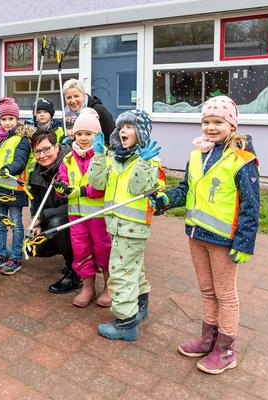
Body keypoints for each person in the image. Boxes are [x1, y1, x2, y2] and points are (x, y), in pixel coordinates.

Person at [154, 96, 259, 374]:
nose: (211, 127)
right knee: (207, 291)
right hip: (197, 235)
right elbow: (187, 189)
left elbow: (251, 206)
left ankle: (226, 350)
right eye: (206, 122)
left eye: (218, 122)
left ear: (231, 124)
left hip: (224, 241)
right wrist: (165, 199)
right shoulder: (197, 154)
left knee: (225, 295)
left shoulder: (242, 159)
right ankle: (207, 338)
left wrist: (245, 243)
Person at [88, 109, 164, 341]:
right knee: (134, 269)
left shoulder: (149, 159)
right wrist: (99, 156)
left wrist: (143, 161)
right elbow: (96, 183)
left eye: (129, 126)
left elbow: (138, 188)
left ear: (140, 132)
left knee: (121, 272)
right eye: (121, 127)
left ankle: (125, 323)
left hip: (133, 226)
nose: (123, 131)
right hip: (116, 224)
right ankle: (140, 307)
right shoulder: (113, 158)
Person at [55, 108, 112, 307]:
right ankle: (87, 286)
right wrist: (61, 189)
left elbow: (105, 186)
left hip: (99, 216)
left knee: (103, 250)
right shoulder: (68, 158)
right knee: (81, 250)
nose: (83, 138)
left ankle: (108, 286)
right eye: (79, 134)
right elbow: (62, 179)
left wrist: (80, 191)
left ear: (97, 135)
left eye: (89, 134)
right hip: (76, 216)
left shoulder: (105, 156)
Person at [0, 97, 32, 275]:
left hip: (14, 189)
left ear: (16, 119)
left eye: (11, 118)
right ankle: (0, 254)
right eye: (4, 119)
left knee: (16, 224)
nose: (7, 122)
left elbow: (20, 161)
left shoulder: (22, 139)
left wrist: (8, 168)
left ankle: (15, 257)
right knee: (0, 223)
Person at [27, 128, 81, 294]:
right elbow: (36, 203)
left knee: (57, 224)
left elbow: (76, 205)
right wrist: (36, 221)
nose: (42, 155)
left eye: (46, 149)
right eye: (37, 152)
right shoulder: (36, 172)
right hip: (51, 220)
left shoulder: (71, 167)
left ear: (56, 147)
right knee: (32, 247)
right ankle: (68, 252)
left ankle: (75, 271)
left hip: (78, 221)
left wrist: (43, 216)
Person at [62, 78, 114, 143]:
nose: (73, 101)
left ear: (83, 96)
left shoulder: (99, 111)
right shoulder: (67, 115)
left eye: (76, 96)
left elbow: (111, 138)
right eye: (69, 97)